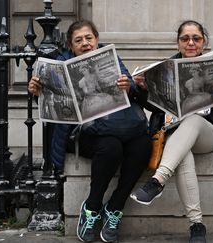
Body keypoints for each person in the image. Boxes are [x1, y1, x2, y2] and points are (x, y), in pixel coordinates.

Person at [28, 20, 152, 243]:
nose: (85, 44)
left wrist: (129, 85)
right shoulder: (60, 64)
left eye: (89, 38)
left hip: (117, 125)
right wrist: (36, 91)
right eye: (78, 40)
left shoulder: (109, 58)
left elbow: (132, 89)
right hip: (81, 134)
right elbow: (48, 101)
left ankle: (115, 206)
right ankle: (92, 207)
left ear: (96, 39)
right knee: (111, 147)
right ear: (71, 45)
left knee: (143, 146)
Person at [130, 20, 213, 243]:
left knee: (192, 117)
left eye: (196, 38)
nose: (190, 43)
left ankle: (158, 180)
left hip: (207, 133)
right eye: (185, 39)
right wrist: (143, 89)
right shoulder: (163, 68)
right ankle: (196, 224)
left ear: (203, 42)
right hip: (175, 136)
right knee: (183, 156)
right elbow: (152, 107)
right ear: (178, 42)